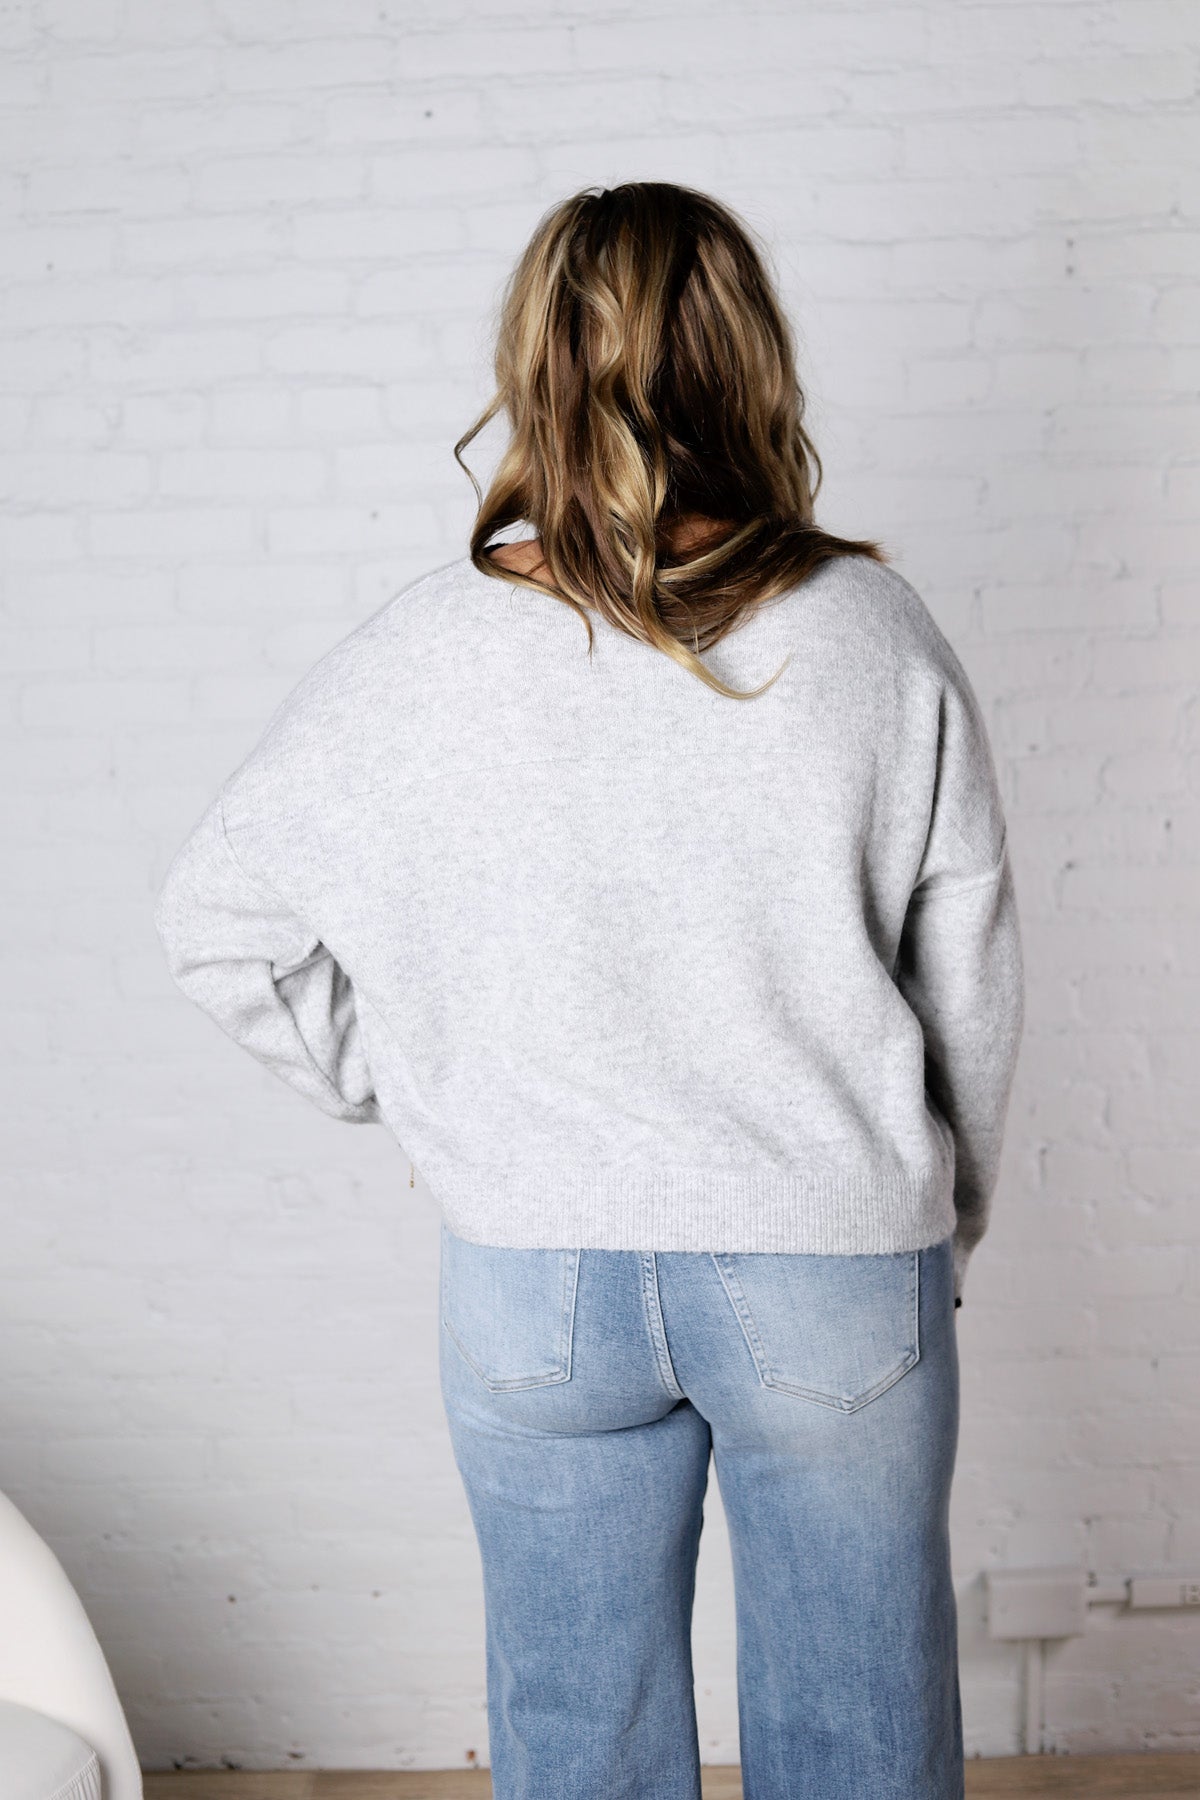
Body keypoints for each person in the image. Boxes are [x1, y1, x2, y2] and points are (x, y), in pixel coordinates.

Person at [153, 181, 1025, 1800]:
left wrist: (421, 1092)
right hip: (832, 1264)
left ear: (535, 365)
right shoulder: (876, 638)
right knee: (861, 1736)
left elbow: (217, 920)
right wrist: (941, 1223)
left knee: (575, 1739)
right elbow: (966, 979)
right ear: (751, 359)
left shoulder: (426, 650)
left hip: (532, 1272)